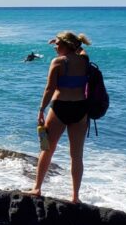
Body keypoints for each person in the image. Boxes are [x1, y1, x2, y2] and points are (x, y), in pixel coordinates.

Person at [24, 31, 92, 203]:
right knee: (76, 156)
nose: (55, 46)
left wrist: (41, 109)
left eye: (57, 44)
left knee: (46, 149)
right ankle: (75, 197)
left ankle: (37, 188)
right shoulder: (84, 60)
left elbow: (49, 89)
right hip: (80, 109)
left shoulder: (58, 62)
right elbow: (81, 50)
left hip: (60, 107)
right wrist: (67, 43)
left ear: (66, 45)